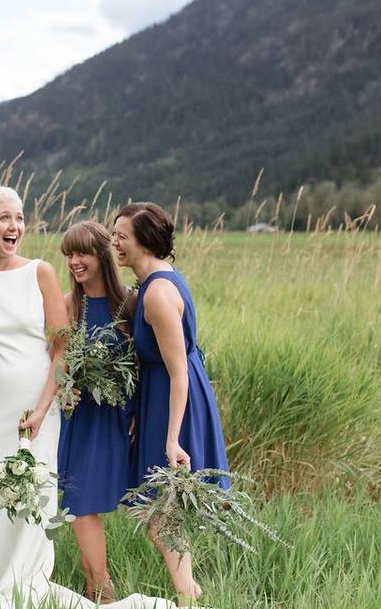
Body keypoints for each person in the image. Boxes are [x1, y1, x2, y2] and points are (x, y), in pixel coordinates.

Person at [0, 186, 178, 609]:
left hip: (37, 401)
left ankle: (28, 579)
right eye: (5, 218)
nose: (15, 226)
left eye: (20, 217)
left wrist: (48, 403)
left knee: (36, 490)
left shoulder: (40, 272)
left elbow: (62, 344)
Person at [112, 202, 230, 607]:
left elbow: (178, 371)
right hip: (157, 397)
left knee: (160, 513)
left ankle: (188, 596)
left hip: (172, 400)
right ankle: (190, 593)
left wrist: (173, 439)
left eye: (122, 236)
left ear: (144, 241)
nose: (114, 242)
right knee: (158, 511)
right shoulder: (151, 284)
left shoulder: (159, 293)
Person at [57, 220, 136, 604]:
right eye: (69, 253)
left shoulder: (131, 305)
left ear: (103, 254)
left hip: (123, 418)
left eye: (82, 252)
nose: (74, 261)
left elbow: (146, 363)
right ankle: (101, 590)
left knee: (102, 502)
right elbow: (55, 360)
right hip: (82, 419)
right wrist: (64, 386)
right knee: (80, 504)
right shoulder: (70, 305)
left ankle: (101, 591)